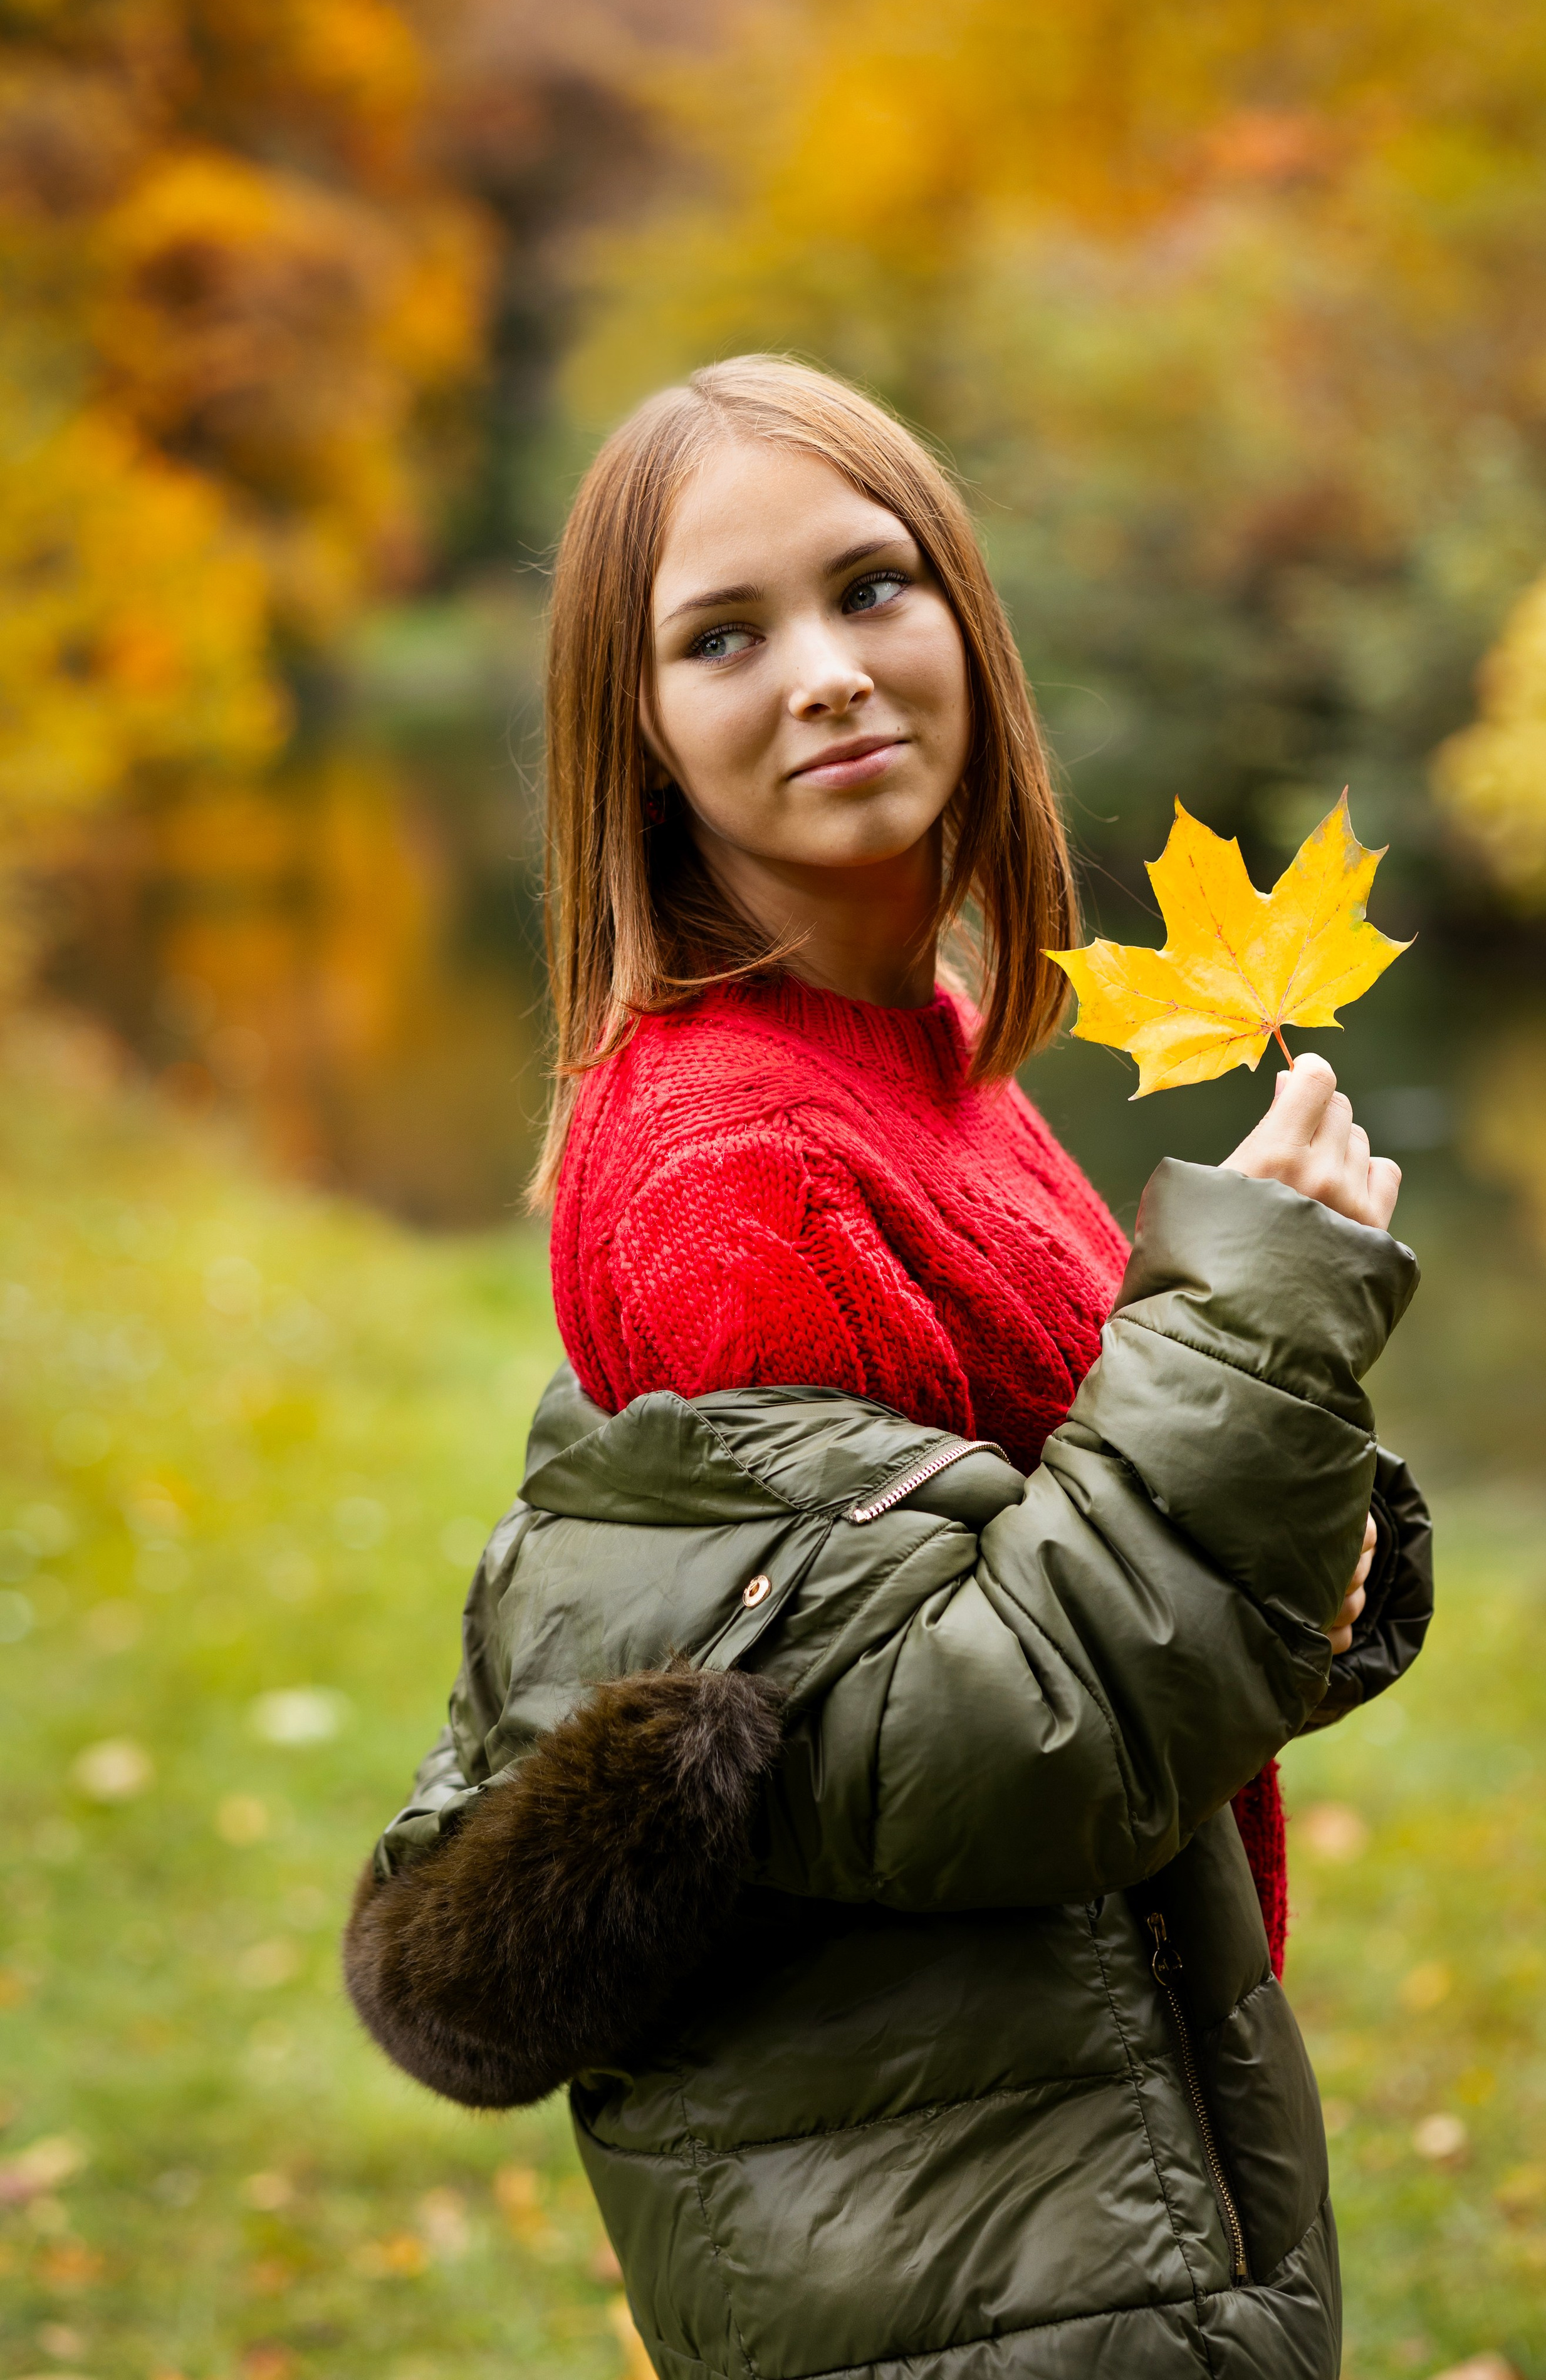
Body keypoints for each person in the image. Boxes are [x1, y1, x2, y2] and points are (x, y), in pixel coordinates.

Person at [344, 356, 1433, 2379]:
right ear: (642, 734)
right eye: (723, 636)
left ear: (964, 623)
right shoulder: (734, 1162)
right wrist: (1264, 1325)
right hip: (962, 2218)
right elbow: (973, 1743)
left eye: (871, 589)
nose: (826, 672)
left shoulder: (918, 1045)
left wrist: (1315, 1527)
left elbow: (1085, 1538)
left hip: (1086, 2109)